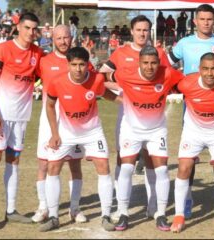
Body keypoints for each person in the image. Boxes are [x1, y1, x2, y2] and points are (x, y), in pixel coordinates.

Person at [168, 3, 214, 220]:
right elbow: (169, 65)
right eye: (203, 19)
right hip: (193, 105)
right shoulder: (184, 43)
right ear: (195, 21)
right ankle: (187, 198)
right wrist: (181, 82)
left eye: (210, 19)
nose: (206, 22)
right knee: (190, 158)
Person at [100, 15, 171, 223]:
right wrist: (123, 92)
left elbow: (167, 77)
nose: (142, 33)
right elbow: (102, 76)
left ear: (150, 32)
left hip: (153, 115)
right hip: (128, 113)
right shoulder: (121, 53)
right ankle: (122, 207)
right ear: (131, 31)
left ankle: (153, 205)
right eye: (139, 30)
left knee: (152, 159)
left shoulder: (158, 53)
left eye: (146, 30)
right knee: (125, 160)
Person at [39, 47, 117, 232]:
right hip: (66, 132)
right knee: (53, 167)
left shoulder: (96, 79)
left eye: (82, 64)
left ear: (88, 65)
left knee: (103, 166)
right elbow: (50, 106)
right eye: (74, 65)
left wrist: (126, 103)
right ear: (68, 65)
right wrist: (55, 133)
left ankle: (106, 215)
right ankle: (53, 216)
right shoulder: (57, 82)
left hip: (92, 132)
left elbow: (105, 93)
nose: (78, 69)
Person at [112, 46, 184, 231]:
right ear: (139, 62)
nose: (149, 67)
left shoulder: (169, 74)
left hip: (156, 130)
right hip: (131, 129)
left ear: (159, 63)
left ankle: (160, 214)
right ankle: (123, 213)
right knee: (126, 168)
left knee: (161, 171)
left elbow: (186, 83)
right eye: (145, 63)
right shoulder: (124, 74)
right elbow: (102, 78)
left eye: (153, 63)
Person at [0, 12, 44, 229]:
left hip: (21, 118)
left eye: (34, 29)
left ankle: (11, 209)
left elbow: (42, 76)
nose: (31, 33)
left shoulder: (38, 53)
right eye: (27, 28)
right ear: (18, 27)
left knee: (14, 161)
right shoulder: (3, 49)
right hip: (0, 115)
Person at [171, 52, 214, 234]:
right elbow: (169, 85)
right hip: (193, 131)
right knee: (184, 168)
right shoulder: (187, 83)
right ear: (199, 69)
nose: (210, 73)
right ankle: (180, 214)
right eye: (206, 69)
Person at [31, 25, 92, 224]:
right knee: (44, 163)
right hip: (49, 114)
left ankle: (74, 208)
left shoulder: (80, 60)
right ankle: (44, 207)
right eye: (59, 38)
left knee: (74, 163)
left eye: (66, 37)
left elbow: (93, 82)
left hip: (73, 116)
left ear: (71, 37)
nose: (63, 41)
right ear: (52, 39)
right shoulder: (44, 61)